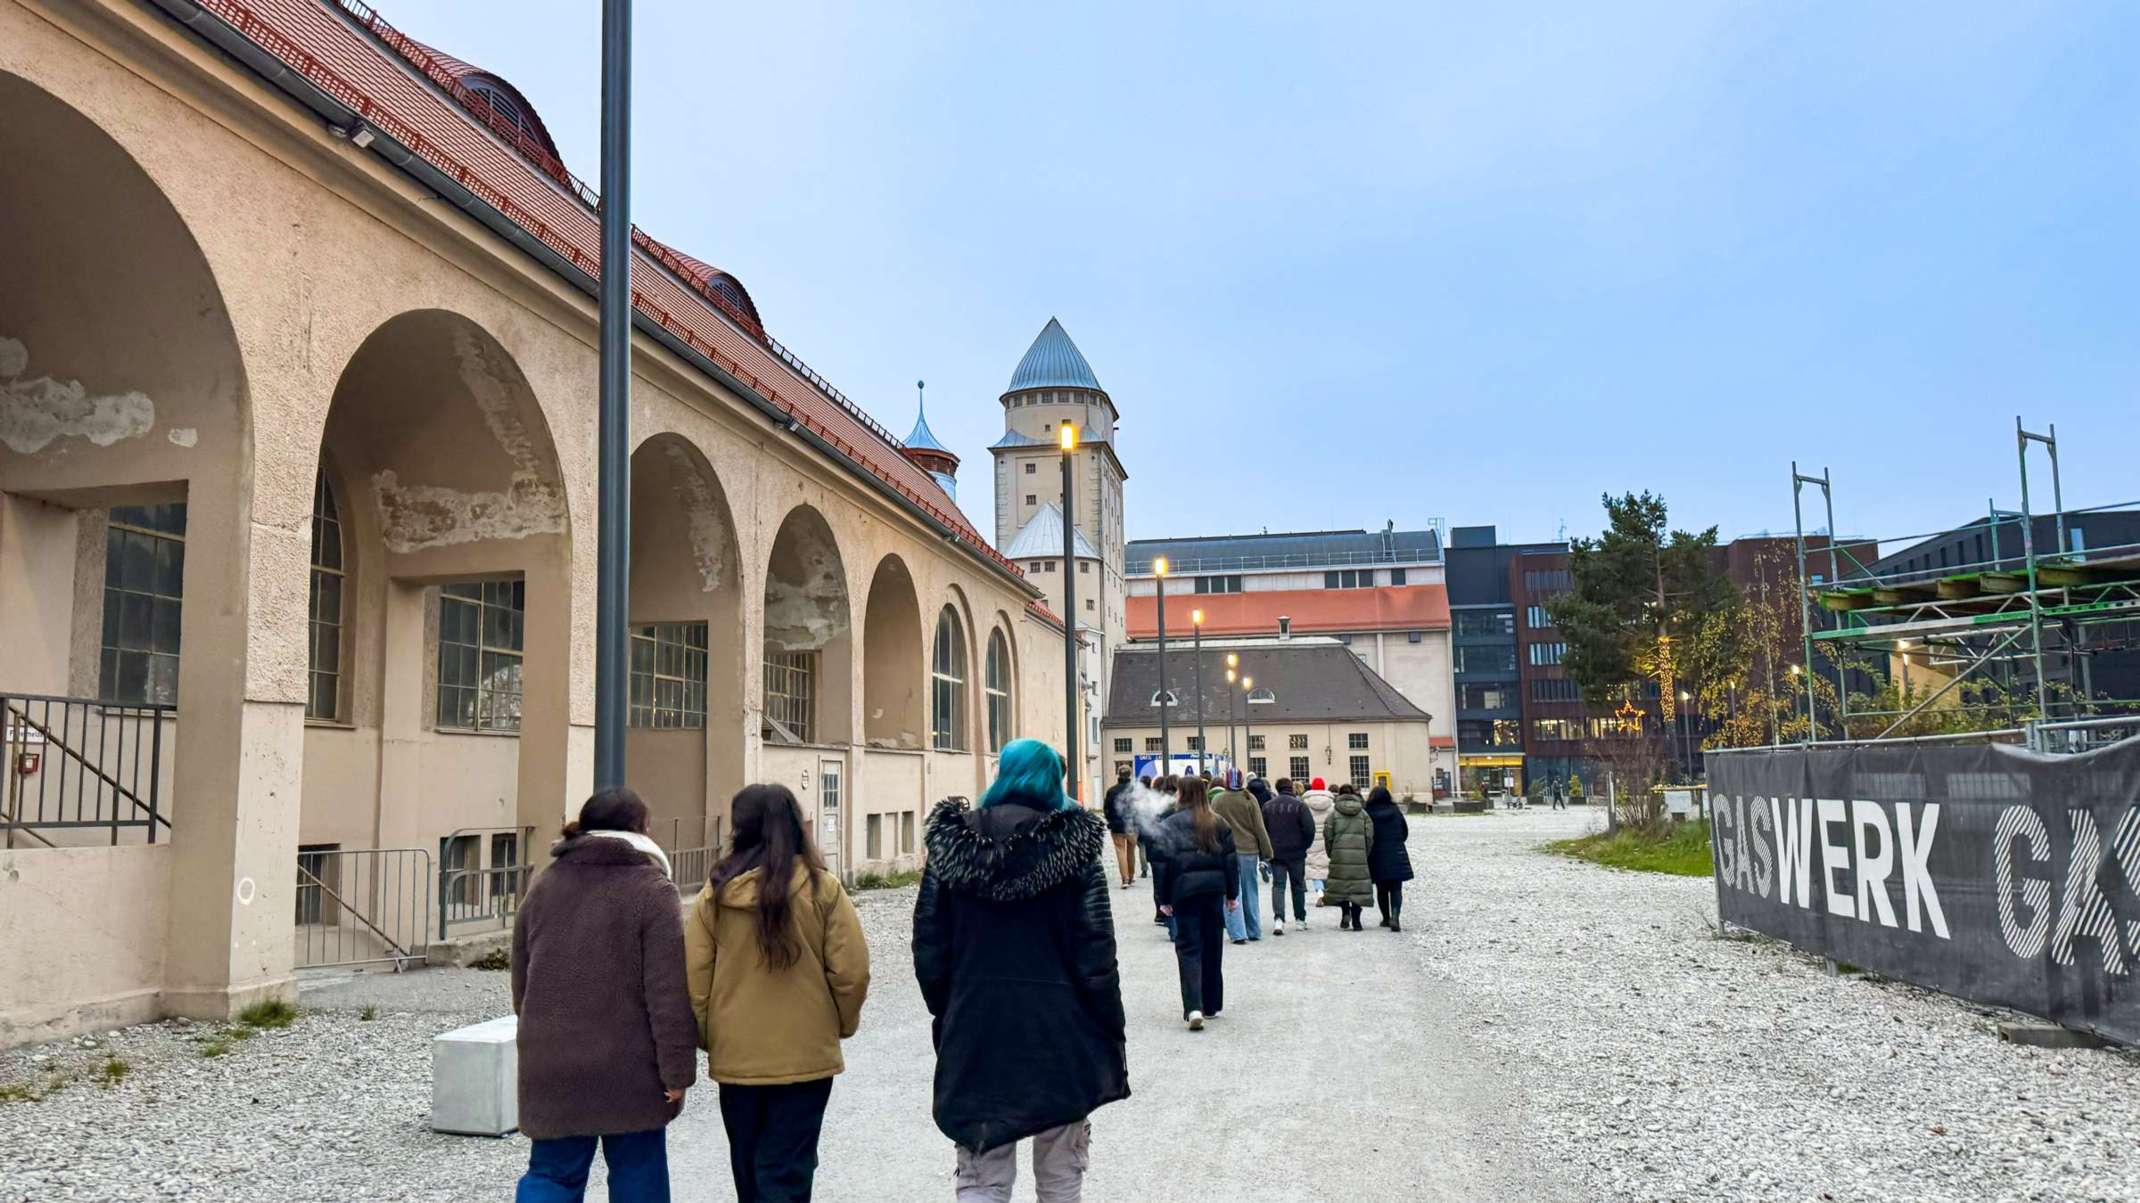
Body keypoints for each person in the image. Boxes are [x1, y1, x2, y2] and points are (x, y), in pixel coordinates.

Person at [914, 740, 1128, 1202]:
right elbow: (1096, 953)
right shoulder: (1075, 847)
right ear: (1053, 780)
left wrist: (947, 1009)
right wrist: (1109, 1023)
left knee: (980, 1173)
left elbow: (929, 946)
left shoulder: (953, 846)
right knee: (1060, 1175)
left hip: (976, 1022)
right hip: (1060, 1024)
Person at [685, 784, 871, 1203]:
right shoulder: (824, 890)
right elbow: (851, 973)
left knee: (748, 1169)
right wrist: (838, 1023)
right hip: (806, 1055)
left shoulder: (713, 897)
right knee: (787, 1169)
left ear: (739, 828)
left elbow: (696, 981)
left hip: (737, 1058)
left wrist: (710, 1036)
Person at [512, 788, 697, 1203]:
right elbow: (666, 992)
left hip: (551, 1060)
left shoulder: (543, 886)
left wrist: (536, 1038)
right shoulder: (653, 890)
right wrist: (677, 1071)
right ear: (640, 830)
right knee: (638, 1174)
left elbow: (522, 979)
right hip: (629, 1067)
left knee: (551, 1174)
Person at [1149, 776, 1238, 1029]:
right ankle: (1210, 1004)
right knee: (1212, 947)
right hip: (1213, 891)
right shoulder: (1218, 822)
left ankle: (1194, 1006)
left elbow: (1161, 864)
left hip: (1184, 893)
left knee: (1188, 949)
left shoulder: (1170, 824)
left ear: (1181, 794)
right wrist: (1232, 894)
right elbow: (1230, 861)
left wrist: (1162, 900)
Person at [1212, 771, 1273, 944]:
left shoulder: (1218, 800)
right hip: (1249, 850)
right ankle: (1253, 929)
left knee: (1232, 892)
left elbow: (1213, 825)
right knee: (1250, 890)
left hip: (1226, 851)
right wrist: (1267, 851)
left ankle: (1238, 932)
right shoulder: (1249, 798)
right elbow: (1259, 827)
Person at [1262, 779, 1316, 934]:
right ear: (1291, 788)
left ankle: (1279, 919)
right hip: (1296, 852)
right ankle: (1300, 919)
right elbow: (1309, 830)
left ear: (1277, 789)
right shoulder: (1300, 806)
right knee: (1297, 885)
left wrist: (1267, 849)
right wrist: (1303, 845)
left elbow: (1263, 830)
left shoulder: (1268, 807)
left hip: (1276, 852)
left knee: (1278, 885)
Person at [1322, 783, 1376, 931]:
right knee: (1357, 889)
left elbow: (1328, 836)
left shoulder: (1333, 814)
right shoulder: (1363, 814)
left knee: (1341, 887)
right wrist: (1365, 852)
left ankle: (1345, 913)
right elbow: (1369, 836)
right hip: (1359, 855)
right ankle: (1357, 920)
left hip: (1339, 855)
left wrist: (1331, 852)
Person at [1363, 785, 1416, 932]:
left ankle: (1386, 918)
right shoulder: (1395, 811)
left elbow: (1366, 834)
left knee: (1381, 888)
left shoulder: (1368, 812)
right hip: (1396, 851)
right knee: (1396, 888)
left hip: (1377, 853)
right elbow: (1404, 832)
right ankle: (1395, 916)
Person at [1300, 777, 1337, 905]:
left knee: (1314, 868)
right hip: (1327, 838)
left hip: (1312, 839)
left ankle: (1320, 893)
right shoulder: (1332, 805)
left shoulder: (1305, 804)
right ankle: (1327, 892)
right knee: (1326, 866)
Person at [1103, 767, 1138, 888]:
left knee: (1120, 850)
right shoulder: (1135, 790)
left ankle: (1125, 879)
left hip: (1117, 825)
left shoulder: (1111, 791)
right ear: (1130, 775)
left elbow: (1106, 809)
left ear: (1118, 774)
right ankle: (1132, 875)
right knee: (1131, 851)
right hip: (1132, 825)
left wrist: (1110, 820)